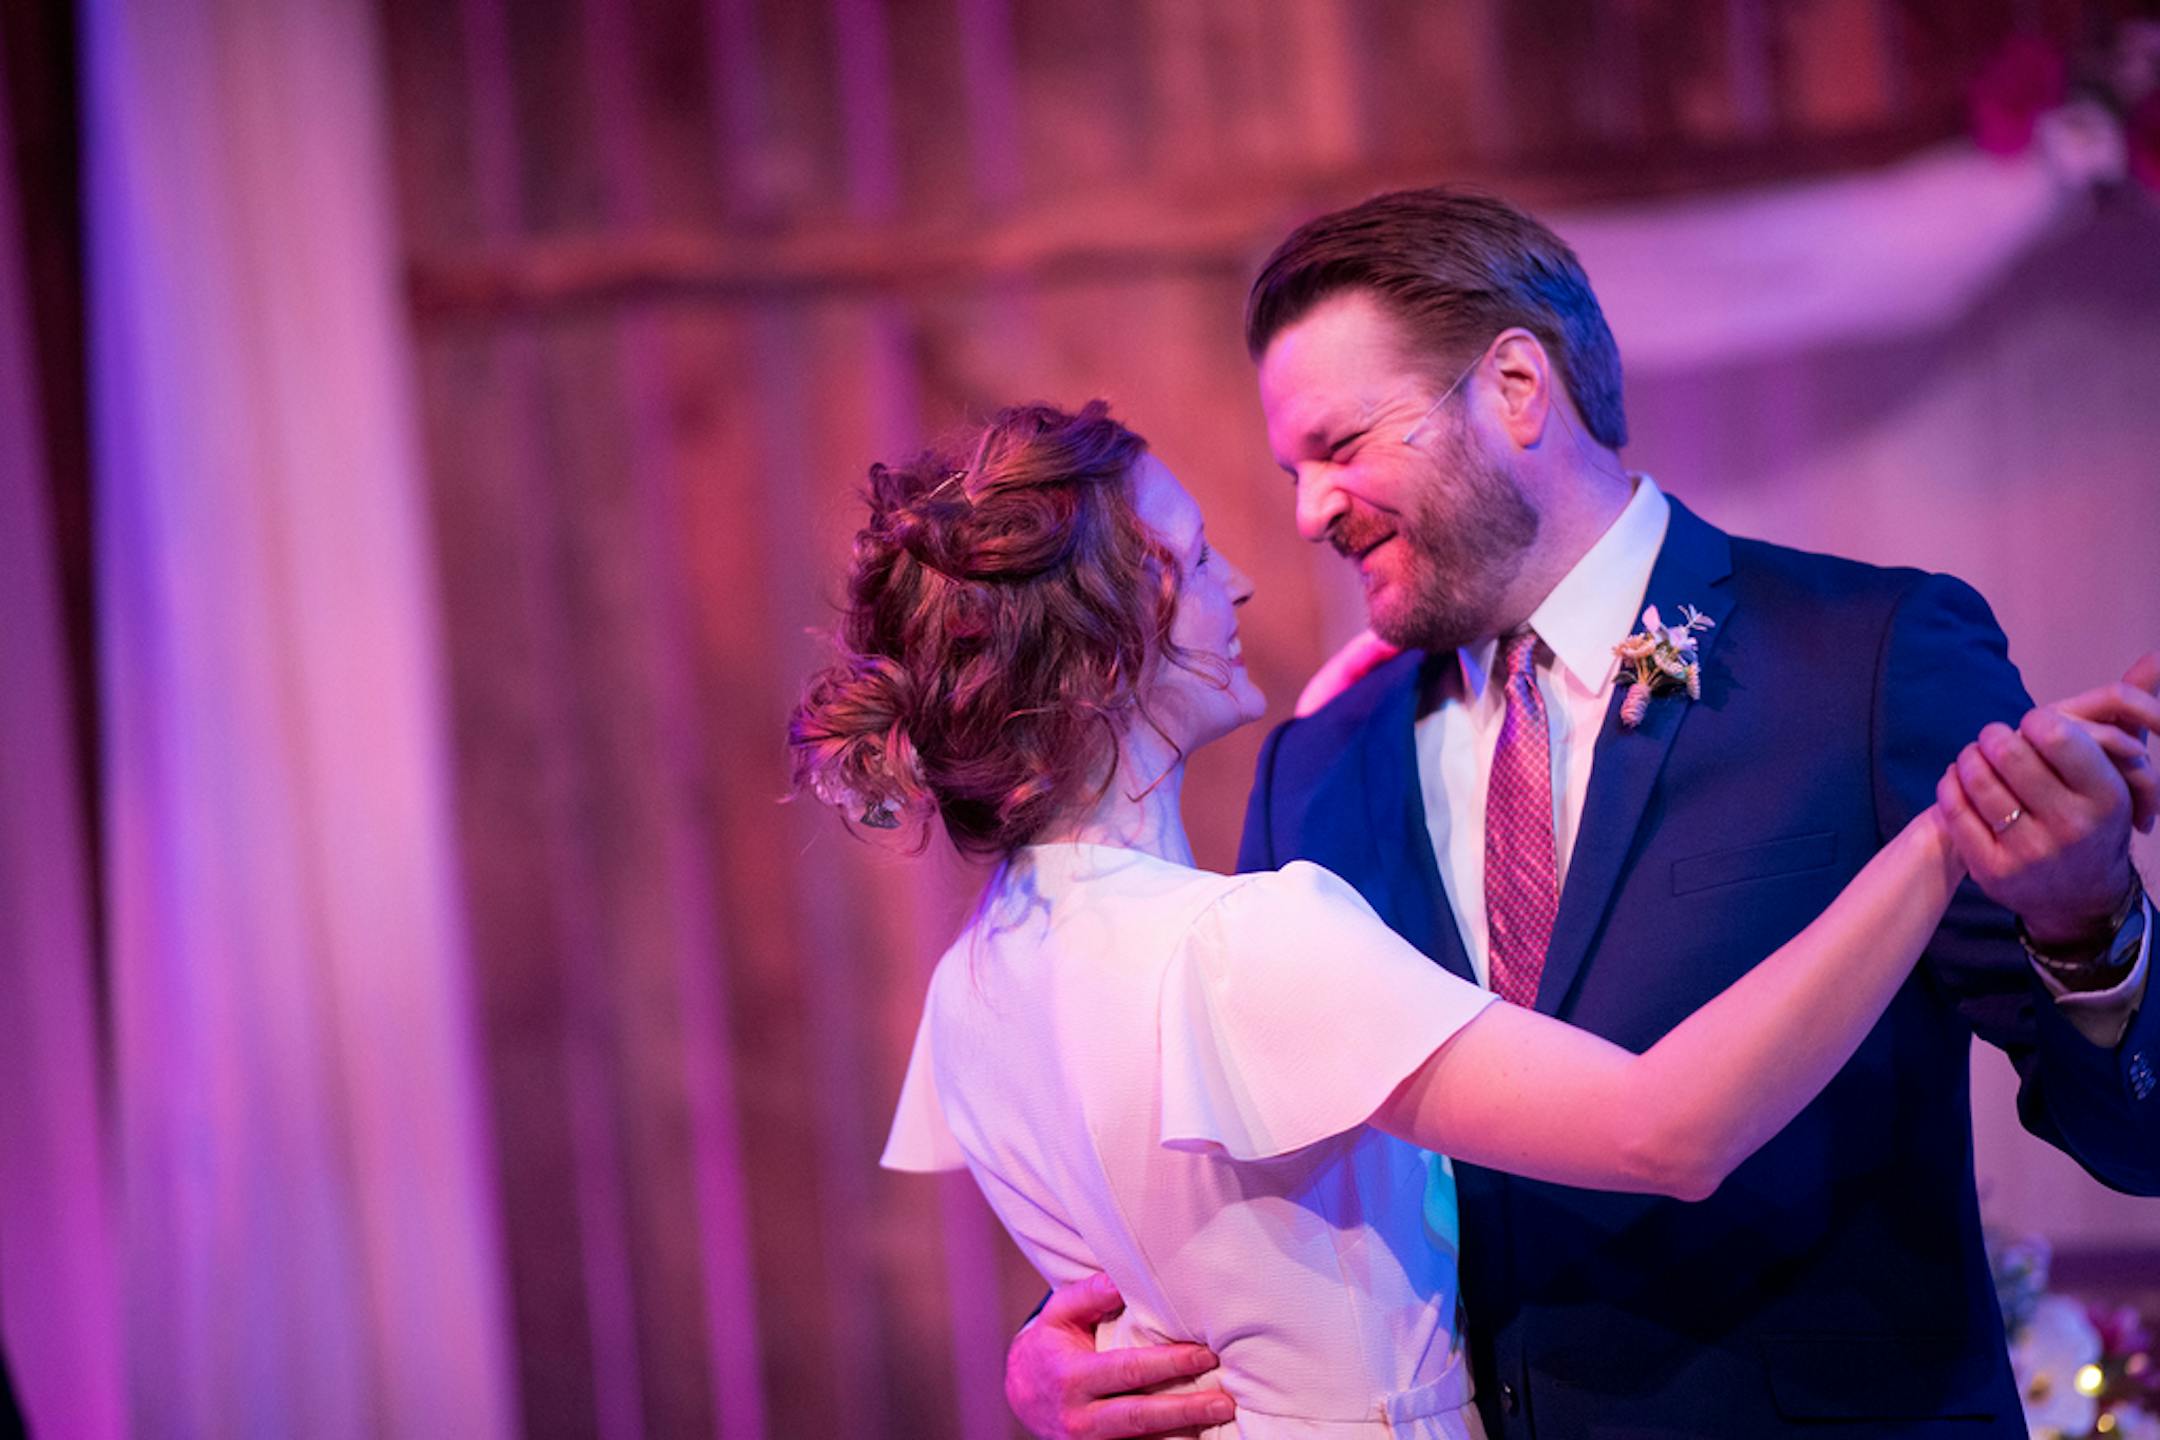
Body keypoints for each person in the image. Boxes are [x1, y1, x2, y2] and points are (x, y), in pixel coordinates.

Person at [1003, 189, 2160, 1440]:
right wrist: (1066, 1350)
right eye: (1295, 470)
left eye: (1342, 444)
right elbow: (1230, 1182)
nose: (1308, 512)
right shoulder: (1314, 774)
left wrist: (2089, 927)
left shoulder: (1864, 659)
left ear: (1514, 389)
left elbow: (2138, 1138)